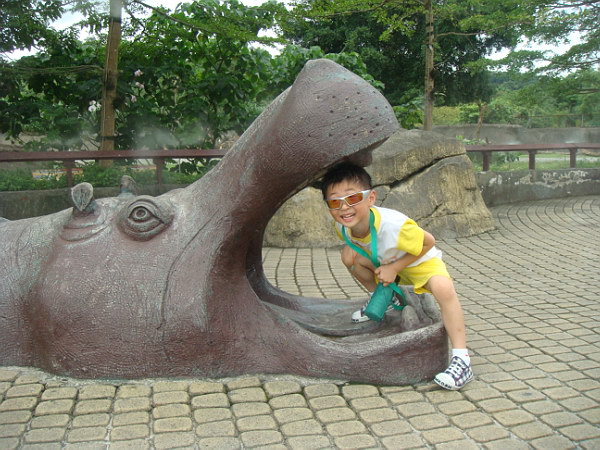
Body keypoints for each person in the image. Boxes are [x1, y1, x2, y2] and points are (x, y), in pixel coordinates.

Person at [320, 162, 473, 390]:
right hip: (388, 262)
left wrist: (394, 268)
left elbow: (429, 242)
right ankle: (387, 299)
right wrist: (385, 266)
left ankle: (462, 360)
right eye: (335, 202)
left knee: (443, 288)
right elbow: (363, 247)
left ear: (371, 198)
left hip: (418, 261)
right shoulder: (342, 227)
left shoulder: (393, 225)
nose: (344, 207)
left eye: (352, 198)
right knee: (348, 257)